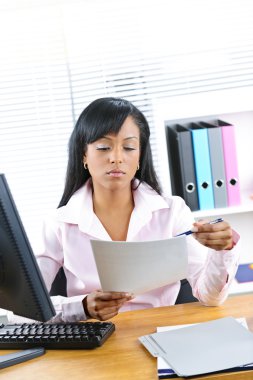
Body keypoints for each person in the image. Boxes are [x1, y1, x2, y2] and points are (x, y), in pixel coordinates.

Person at [36, 97, 240, 322]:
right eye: (104, 147)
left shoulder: (171, 211)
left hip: (161, 333)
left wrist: (223, 250)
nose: (116, 158)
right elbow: (29, 310)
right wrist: (81, 307)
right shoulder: (59, 223)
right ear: (84, 154)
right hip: (94, 341)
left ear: (140, 156)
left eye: (129, 147)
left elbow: (210, 297)